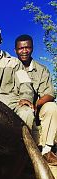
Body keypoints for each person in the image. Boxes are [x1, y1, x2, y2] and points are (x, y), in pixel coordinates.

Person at [15, 34, 57, 165]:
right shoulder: (9, 66)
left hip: (35, 109)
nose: (24, 51)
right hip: (15, 108)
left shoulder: (41, 70)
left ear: (32, 48)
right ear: (15, 50)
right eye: (21, 48)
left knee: (52, 107)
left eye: (27, 47)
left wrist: (36, 104)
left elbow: (50, 94)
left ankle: (46, 151)